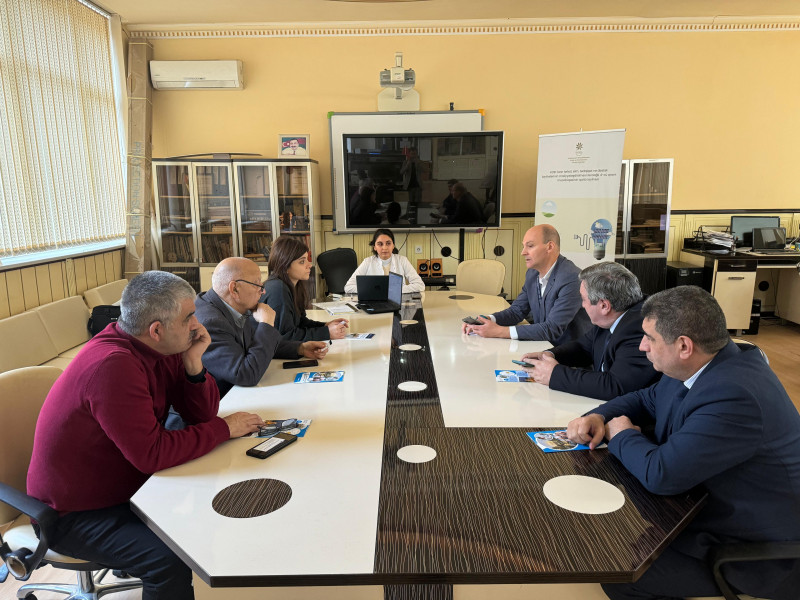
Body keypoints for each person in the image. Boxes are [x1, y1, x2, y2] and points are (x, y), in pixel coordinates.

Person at [26, 271, 265, 600]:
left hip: (124, 487)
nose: (198, 325)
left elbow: (202, 415)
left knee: (207, 506)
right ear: (156, 329)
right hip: (72, 513)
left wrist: (194, 364)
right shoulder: (113, 366)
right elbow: (153, 453)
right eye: (190, 317)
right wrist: (224, 429)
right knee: (166, 560)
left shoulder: (157, 348)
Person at [566, 286, 800, 600]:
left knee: (621, 572)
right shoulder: (706, 363)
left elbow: (661, 475)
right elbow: (647, 399)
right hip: (704, 507)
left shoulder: (735, 395)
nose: (641, 346)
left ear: (684, 346)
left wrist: (621, 434)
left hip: (755, 549)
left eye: (649, 338)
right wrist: (600, 415)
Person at [519, 261, 659, 400]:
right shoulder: (616, 312)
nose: (582, 305)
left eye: (584, 299)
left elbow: (615, 386)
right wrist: (550, 355)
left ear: (604, 306)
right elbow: (584, 347)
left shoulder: (641, 329)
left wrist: (554, 374)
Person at [194, 257, 329, 397]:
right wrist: (266, 324)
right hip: (220, 406)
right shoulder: (210, 322)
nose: (263, 291)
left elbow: (254, 345)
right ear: (234, 288)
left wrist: (300, 348)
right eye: (256, 284)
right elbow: (246, 375)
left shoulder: (231, 305)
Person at [463, 224, 590, 344]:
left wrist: (499, 331)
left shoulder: (572, 278)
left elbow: (552, 328)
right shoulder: (532, 273)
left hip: (569, 356)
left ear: (550, 247)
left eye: (530, 246)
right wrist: (486, 320)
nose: (523, 252)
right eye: (524, 246)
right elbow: (517, 311)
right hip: (542, 346)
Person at [261, 235, 349, 341]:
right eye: (302, 262)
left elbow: (301, 323)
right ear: (285, 265)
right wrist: (326, 333)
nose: (309, 265)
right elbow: (285, 336)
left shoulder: (293, 286)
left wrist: (325, 326)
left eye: (307, 259)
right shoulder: (278, 289)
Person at [344, 228, 424, 294]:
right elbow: (348, 287)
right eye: (380, 244)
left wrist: (397, 290)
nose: (384, 248)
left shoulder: (402, 260)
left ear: (393, 245)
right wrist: (373, 289)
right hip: (374, 303)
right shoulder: (367, 262)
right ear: (374, 247)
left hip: (398, 303)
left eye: (388, 243)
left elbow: (420, 285)